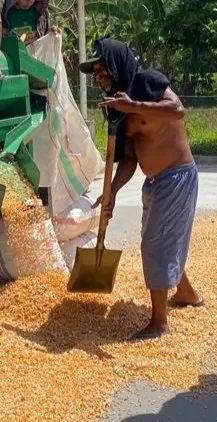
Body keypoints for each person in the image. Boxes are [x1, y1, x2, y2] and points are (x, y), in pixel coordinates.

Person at [80, 38, 202, 341]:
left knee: (155, 244)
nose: (99, 76)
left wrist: (132, 105)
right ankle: (185, 292)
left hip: (177, 176)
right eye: (95, 73)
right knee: (164, 240)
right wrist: (112, 190)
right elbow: (130, 159)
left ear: (117, 63)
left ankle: (159, 323)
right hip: (155, 183)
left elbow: (177, 110)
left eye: (102, 68)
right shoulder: (115, 113)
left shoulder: (147, 81)